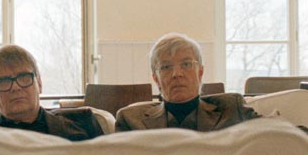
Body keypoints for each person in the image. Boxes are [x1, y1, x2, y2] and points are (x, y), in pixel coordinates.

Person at [115, 32, 269, 133]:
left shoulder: (232, 108)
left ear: (200, 72)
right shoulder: (131, 120)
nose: (177, 74)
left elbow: (274, 135)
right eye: (166, 67)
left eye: (186, 64)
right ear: (156, 79)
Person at [0, 45, 104, 140]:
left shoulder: (79, 129)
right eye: (5, 81)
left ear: (39, 84)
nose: (16, 87)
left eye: (24, 77)